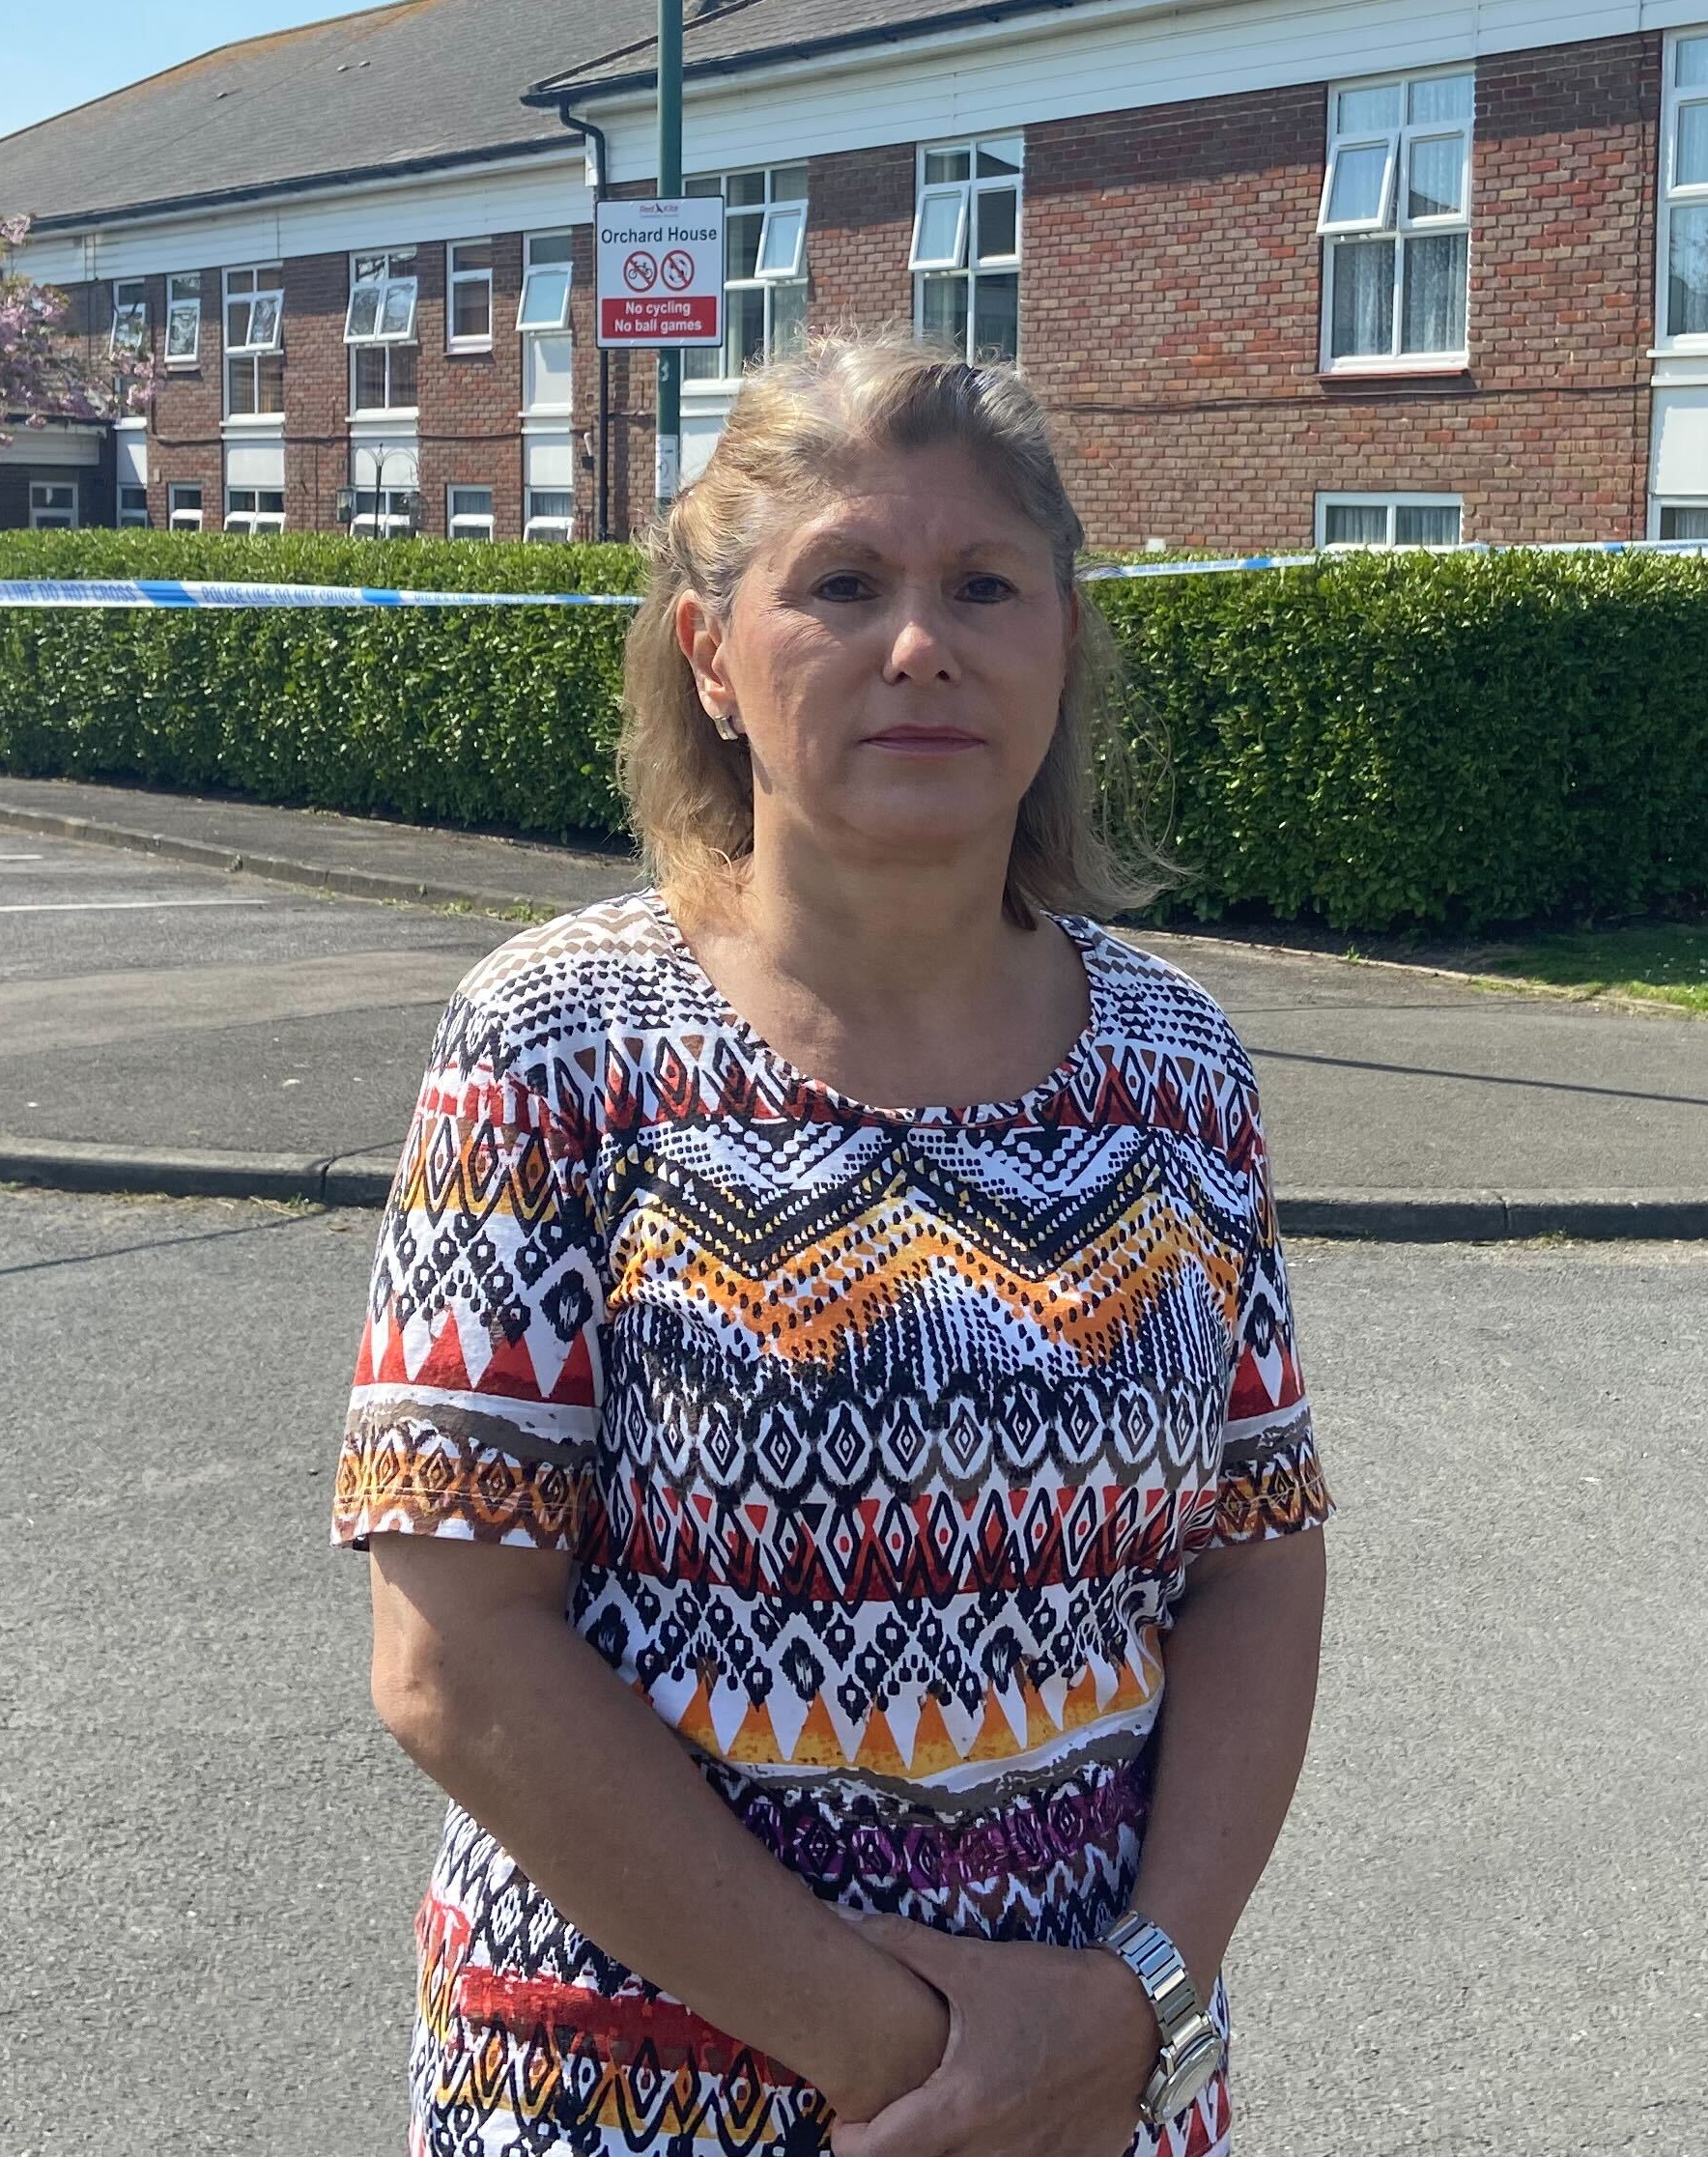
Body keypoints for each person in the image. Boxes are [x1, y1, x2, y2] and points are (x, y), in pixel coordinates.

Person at [337, 333, 1330, 2157]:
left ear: (1062, 644)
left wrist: (1147, 2002)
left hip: (1099, 2088)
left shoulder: (1182, 1064)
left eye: (984, 587)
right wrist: (917, 2060)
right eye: (844, 585)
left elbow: (1256, 1563)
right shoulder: (556, 1041)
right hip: (628, 2089)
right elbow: (457, 1655)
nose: (921, 645)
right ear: (712, 656)